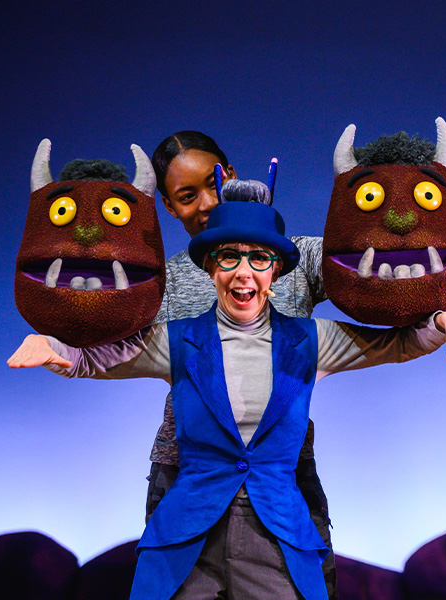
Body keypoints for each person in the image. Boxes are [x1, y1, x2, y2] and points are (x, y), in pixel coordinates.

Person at [8, 196, 446, 599]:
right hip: (188, 533)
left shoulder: (311, 340)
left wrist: (444, 320)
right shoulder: (177, 341)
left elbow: (399, 343)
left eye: (259, 259)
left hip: (277, 532)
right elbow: (94, 359)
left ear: (275, 270)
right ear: (211, 267)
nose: (243, 273)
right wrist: (51, 346)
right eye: (229, 257)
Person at [148, 131, 339, 594]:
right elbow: (108, 338)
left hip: (282, 469)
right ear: (169, 207)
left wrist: (439, 317)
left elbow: (367, 272)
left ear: (230, 175)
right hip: (187, 472)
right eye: (186, 197)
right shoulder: (164, 282)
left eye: (211, 184)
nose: (206, 203)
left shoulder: (290, 257)